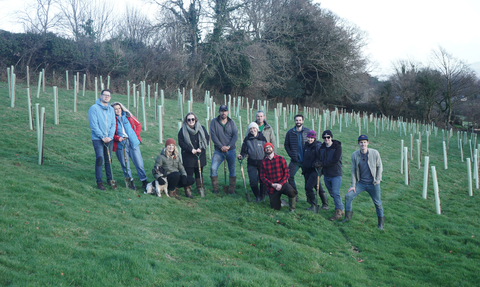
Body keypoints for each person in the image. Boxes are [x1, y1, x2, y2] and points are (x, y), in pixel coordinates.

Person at [343, 135, 385, 230]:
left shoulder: (375, 153)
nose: (363, 144)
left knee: (378, 203)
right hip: (361, 184)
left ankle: (380, 224)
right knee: (348, 196)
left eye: (365, 142)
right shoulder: (354, 155)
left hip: (373, 184)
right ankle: (347, 217)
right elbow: (353, 171)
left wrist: (377, 180)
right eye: (361, 142)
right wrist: (353, 185)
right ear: (358, 143)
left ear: (368, 143)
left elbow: (380, 167)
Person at [111, 102, 148, 191]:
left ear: (121, 108)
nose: (117, 110)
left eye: (119, 108)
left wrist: (134, 135)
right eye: (115, 109)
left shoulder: (128, 116)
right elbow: (110, 133)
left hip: (132, 142)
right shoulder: (111, 119)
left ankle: (144, 181)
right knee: (125, 164)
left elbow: (138, 124)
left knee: (139, 163)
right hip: (121, 144)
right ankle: (130, 182)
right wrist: (118, 138)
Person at [88, 89, 116, 190]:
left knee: (109, 159)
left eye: (108, 95)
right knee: (100, 158)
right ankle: (99, 182)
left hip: (109, 138)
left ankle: (110, 180)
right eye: (104, 95)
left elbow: (113, 124)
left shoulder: (111, 110)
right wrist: (102, 137)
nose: (106, 97)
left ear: (110, 97)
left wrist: (110, 137)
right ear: (101, 96)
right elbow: (94, 125)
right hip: (97, 138)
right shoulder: (93, 108)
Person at [178, 112, 210, 198]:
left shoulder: (201, 128)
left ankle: (200, 189)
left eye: (193, 119)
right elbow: (181, 142)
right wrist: (190, 149)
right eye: (189, 120)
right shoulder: (182, 130)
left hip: (200, 155)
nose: (191, 121)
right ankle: (188, 191)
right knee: (189, 174)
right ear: (186, 121)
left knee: (199, 173)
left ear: (195, 120)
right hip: (188, 156)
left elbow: (207, 139)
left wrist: (201, 148)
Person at [210, 105, 238, 194]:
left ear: (228, 112)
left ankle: (232, 190)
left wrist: (228, 146)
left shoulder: (232, 122)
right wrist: (221, 146)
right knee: (213, 168)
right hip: (219, 151)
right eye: (222, 111)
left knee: (232, 170)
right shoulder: (214, 122)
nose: (223, 113)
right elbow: (213, 136)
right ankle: (215, 189)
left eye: (225, 111)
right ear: (219, 112)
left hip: (231, 150)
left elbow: (235, 135)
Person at [316, 130, 344, 221]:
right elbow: (320, 160)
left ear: (331, 137)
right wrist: (319, 172)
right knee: (332, 194)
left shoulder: (337, 147)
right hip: (327, 175)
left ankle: (338, 212)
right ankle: (342, 209)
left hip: (336, 174)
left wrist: (322, 164)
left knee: (336, 193)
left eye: (328, 137)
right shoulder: (322, 148)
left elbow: (335, 160)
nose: (326, 139)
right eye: (324, 137)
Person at [260, 142, 296, 212]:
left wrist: (281, 183)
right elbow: (262, 177)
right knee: (275, 208)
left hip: (282, 183)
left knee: (291, 191)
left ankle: (292, 209)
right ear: (264, 150)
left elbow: (287, 173)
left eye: (269, 147)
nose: (268, 149)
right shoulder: (263, 162)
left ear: (272, 148)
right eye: (266, 148)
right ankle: (282, 202)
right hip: (272, 187)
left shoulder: (281, 159)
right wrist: (272, 185)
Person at [238, 122, 268, 202]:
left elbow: (267, 150)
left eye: (254, 128)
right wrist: (241, 156)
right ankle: (257, 196)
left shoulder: (263, 138)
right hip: (251, 163)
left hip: (262, 162)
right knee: (253, 181)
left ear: (257, 129)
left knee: (263, 180)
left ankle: (262, 196)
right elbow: (244, 151)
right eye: (251, 128)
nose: (252, 130)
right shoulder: (247, 139)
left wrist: (267, 159)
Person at [284, 114, 311, 200]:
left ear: (303, 121)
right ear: (294, 121)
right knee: (289, 176)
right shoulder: (290, 132)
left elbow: (313, 144)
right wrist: (291, 154)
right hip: (295, 160)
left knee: (308, 179)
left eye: (300, 120)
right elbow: (286, 145)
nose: (298, 122)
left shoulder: (308, 131)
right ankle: (294, 195)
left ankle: (309, 198)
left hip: (306, 161)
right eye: (296, 120)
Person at [302, 130, 328, 211]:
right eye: (308, 138)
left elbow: (321, 158)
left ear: (314, 138)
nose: (310, 139)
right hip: (307, 170)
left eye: (311, 138)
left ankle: (313, 205)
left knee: (308, 187)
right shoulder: (306, 145)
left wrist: (316, 164)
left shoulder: (317, 146)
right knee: (318, 187)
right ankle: (325, 205)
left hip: (316, 170)